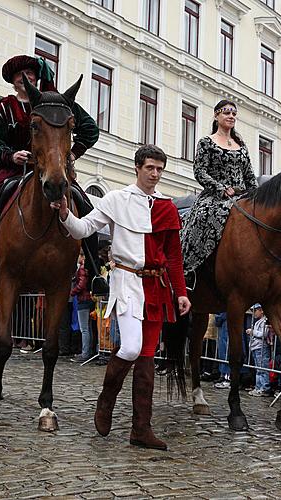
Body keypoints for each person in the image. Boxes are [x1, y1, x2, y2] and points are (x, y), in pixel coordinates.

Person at [51, 144, 190, 450]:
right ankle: (106, 399)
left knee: (148, 357)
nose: (155, 174)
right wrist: (64, 215)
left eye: (159, 169)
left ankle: (141, 429)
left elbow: (174, 256)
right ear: (137, 168)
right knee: (130, 347)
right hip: (127, 281)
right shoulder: (116, 199)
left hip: (157, 286)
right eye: (150, 168)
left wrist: (180, 292)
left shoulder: (166, 206)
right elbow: (83, 228)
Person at [0, 54, 99, 274]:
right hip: (16, 168)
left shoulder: (55, 104)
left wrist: (73, 153)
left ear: (36, 78)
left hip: (52, 167)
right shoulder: (5, 107)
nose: (25, 78)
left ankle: (93, 269)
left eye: (30, 73)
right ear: (13, 81)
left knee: (85, 204)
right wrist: (10, 156)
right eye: (19, 75)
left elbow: (90, 129)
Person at [180, 99, 257, 276]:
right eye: (227, 112)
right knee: (202, 216)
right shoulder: (207, 142)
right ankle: (189, 269)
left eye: (234, 114)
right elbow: (199, 171)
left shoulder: (241, 146)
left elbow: (249, 174)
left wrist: (257, 195)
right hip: (215, 196)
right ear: (216, 115)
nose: (231, 116)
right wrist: (221, 188)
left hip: (241, 195)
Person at [70, 252, 95, 363]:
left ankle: (85, 353)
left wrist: (72, 292)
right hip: (88, 299)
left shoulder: (82, 269)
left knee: (84, 328)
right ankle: (88, 351)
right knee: (88, 328)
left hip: (83, 299)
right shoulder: (88, 268)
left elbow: (81, 284)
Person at [246, 304, 272, 397]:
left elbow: (264, 334)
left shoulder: (264, 321)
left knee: (263, 368)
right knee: (258, 369)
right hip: (256, 347)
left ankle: (265, 388)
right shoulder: (258, 322)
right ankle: (258, 387)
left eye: (255, 311)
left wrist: (253, 332)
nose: (253, 313)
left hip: (261, 347)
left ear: (261, 310)